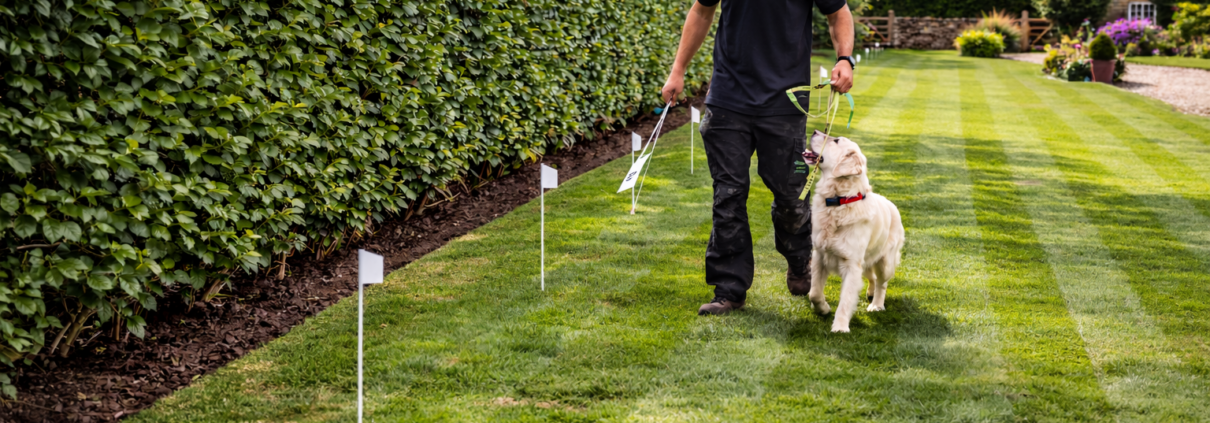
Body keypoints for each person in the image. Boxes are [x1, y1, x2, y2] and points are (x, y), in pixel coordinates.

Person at [661, 0, 856, 315]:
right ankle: (729, 289)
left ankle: (798, 257)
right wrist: (677, 70)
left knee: (792, 198)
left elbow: (838, 13)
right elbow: (701, 10)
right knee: (728, 194)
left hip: (785, 103)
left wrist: (845, 59)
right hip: (728, 98)